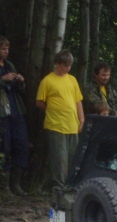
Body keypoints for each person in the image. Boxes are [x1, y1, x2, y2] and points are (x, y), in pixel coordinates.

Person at [0, 35, 30, 196]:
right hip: (0, 112)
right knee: (3, 147)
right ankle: (4, 187)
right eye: (3, 48)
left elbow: (21, 90)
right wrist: (2, 79)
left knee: (22, 145)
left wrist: (20, 82)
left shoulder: (10, 65)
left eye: (7, 48)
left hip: (16, 110)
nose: (6, 51)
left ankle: (16, 184)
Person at [36, 49, 84, 187]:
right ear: (57, 63)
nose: (67, 68)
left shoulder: (72, 79)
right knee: (60, 160)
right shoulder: (47, 81)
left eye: (70, 65)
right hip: (56, 125)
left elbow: (78, 101)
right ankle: (60, 189)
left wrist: (81, 120)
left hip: (72, 125)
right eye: (65, 65)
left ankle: (71, 187)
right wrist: (52, 110)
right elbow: (39, 102)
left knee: (73, 159)